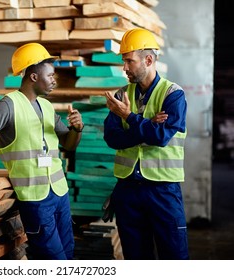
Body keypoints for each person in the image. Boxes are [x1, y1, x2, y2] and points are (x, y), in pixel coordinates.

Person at [0, 42, 84, 260]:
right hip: (35, 199)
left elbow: (69, 144)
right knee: (53, 259)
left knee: (68, 254)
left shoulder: (46, 106)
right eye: (51, 75)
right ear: (34, 77)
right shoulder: (7, 106)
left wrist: (77, 128)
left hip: (59, 193)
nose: (55, 80)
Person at [102, 28, 189, 260]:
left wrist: (129, 118)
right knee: (136, 258)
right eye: (124, 62)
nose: (125, 68)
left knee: (174, 257)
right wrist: (147, 126)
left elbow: (161, 137)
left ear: (148, 60)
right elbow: (111, 138)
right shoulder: (121, 95)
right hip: (128, 188)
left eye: (129, 61)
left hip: (163, 189)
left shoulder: (173, 94)